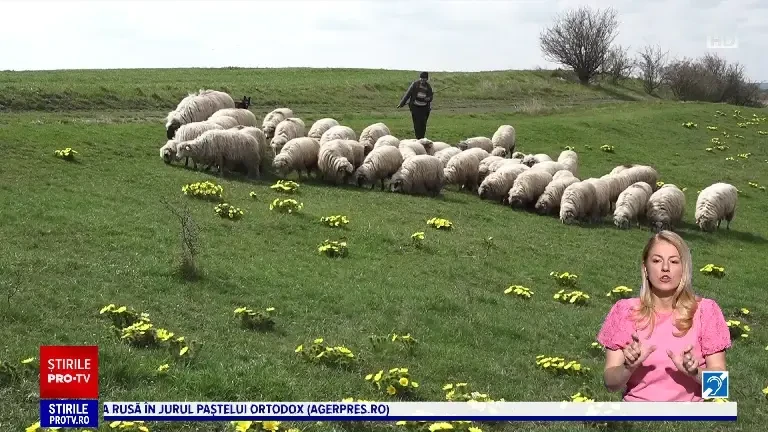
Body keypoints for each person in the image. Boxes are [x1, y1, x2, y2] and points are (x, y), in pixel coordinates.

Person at [596, 230, 731, 402]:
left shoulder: (706, 311)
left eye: (674, 261)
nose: (665, 268)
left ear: (684, 269)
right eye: (657, 260)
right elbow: (610, 384)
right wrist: (628, 368)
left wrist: (694, 373)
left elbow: (719, 390)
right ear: (645, 268)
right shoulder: (625, 311)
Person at [397, 72, 433, 140]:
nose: (422, 80)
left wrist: (428, 99)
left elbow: (431, 97)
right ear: (420, 78)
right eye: (421, 78)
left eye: (424, 79)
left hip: (424, 108)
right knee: (417, 124)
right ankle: (418, 138)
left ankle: (422, 138)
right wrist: (401, 104)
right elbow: (407, 94)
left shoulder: (428, 87)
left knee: (423, 124)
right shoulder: (415, 84)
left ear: (426, 79)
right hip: (415, 107)